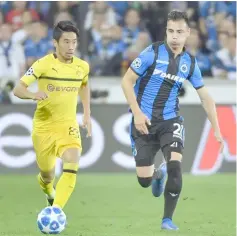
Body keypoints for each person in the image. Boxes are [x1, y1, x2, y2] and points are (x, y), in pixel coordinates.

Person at [121, 10, 224, 230]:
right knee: (144, 181)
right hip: (144, 122)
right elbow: (127, 81)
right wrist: (137, 113)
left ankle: (167, 219)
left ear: (188, 33)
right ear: (166, 32)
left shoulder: (190, 63)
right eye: (170, 31)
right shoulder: (152, 53)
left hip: (171, 120)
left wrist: (216, 129)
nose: (174, 36)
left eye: (179, 32)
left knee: (176, 166)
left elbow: (205, 97)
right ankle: (158, 175)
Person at [13, 21, 91, 211]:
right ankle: (49, 191)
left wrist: (87, 114)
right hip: (44, 127)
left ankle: (56, 211)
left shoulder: (82, 67)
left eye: (74, 42)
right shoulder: (43, 64)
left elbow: (84, 85)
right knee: (47, 175)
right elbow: (18, 89)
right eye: (66, 42)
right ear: (55, 43)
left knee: (72, 160)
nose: (71, 46)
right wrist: (33, 95)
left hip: (68, 125)